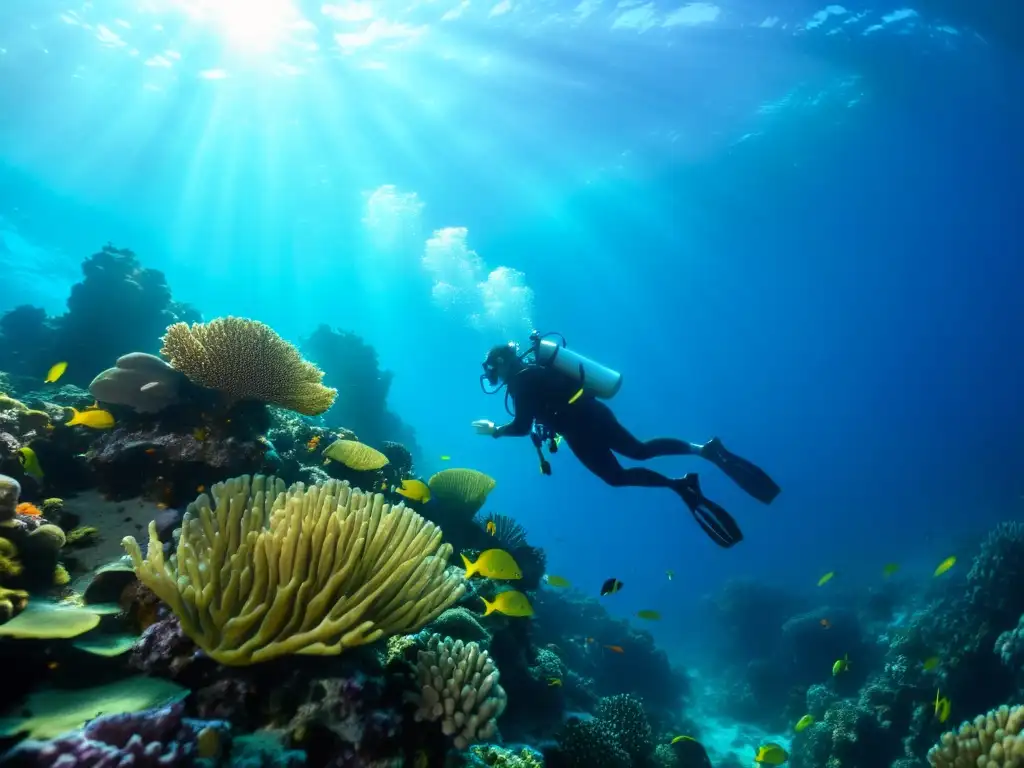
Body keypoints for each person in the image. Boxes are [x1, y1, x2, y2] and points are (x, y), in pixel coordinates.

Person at [472, 339, 780, 548]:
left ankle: (680, 484)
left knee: (617, 476)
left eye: (491, 367)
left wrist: (495, 430)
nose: (491, 374)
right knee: (640, 451)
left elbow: (523, 426)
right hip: (592, 415)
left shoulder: (520, 382)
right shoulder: (534, 372)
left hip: (580, 429)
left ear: (501, 361)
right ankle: (703, 451)